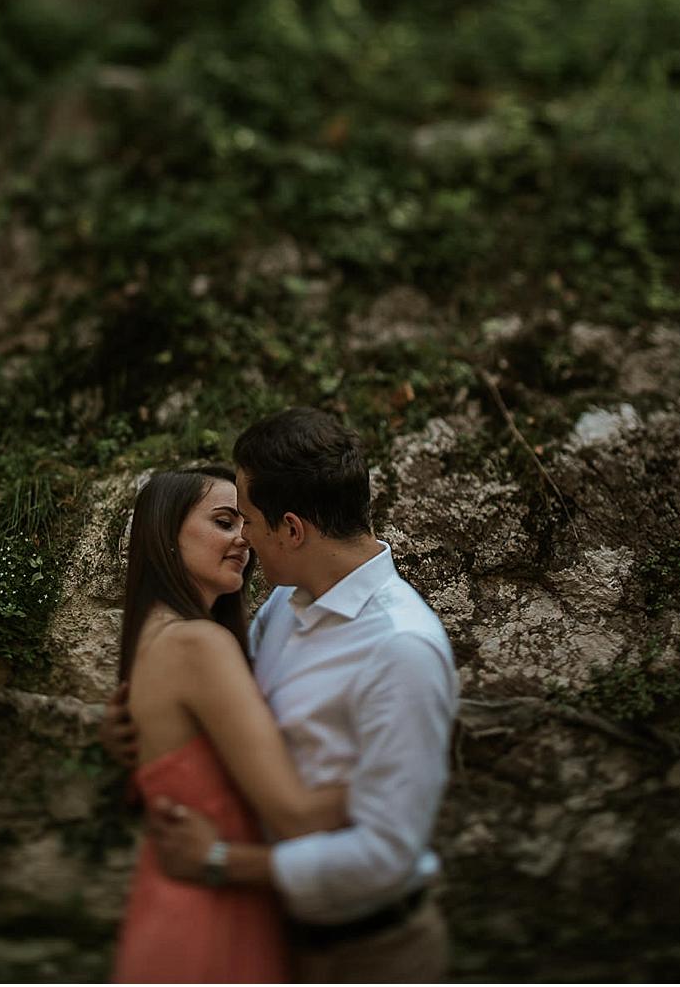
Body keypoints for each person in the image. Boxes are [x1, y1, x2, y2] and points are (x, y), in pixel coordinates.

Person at [102, 408, 460, 983]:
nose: (243, 537)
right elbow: (231, 729)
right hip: (274, 933)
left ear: (291, 529)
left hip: (372, 955)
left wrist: (222, 862)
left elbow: (387, 855)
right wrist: (146, 729)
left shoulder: (401, 649)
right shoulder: (283, 610)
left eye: (246, 520)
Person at [110, 465, 351, 983]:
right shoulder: (198, 645)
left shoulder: (157, 634)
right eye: (224, 522)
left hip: (176, 905)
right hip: (210, 920)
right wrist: (404, 756)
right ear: (164, 534)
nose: (243, 538)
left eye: (245, 522)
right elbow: (295, 816)